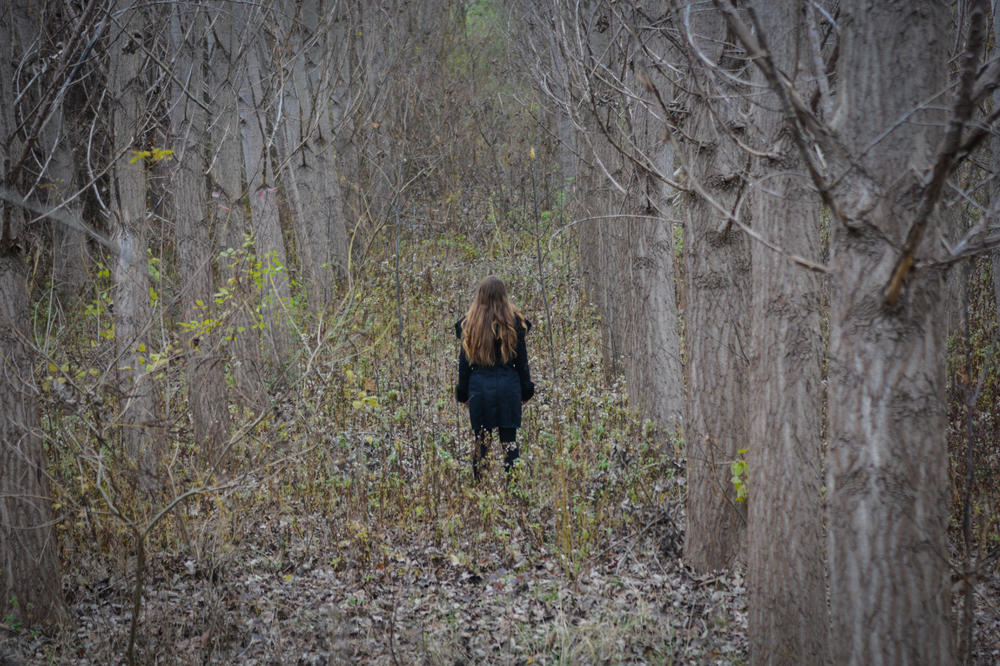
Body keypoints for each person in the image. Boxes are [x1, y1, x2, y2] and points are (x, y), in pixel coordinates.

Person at [455, 276, 534, 481]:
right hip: (509, 390)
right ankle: (513, 491)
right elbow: (522, 363)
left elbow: (464, 365)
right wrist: (526, 390)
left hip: (479, 391)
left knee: (481, 445)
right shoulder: (514, 323)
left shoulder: (469, 324)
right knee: (510, 444)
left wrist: (463, 393)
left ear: (480, 296)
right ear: (503, 296)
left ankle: (479, 489)